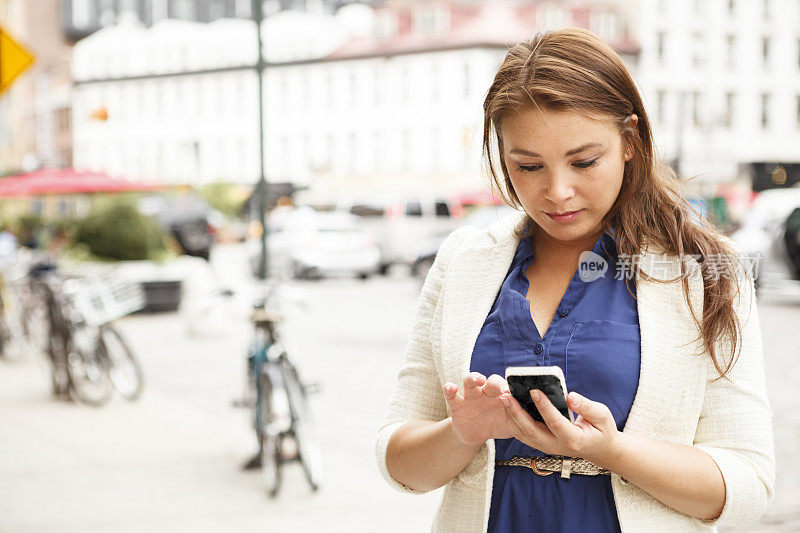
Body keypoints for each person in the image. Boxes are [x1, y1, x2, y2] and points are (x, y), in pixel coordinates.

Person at [375, 28, 774, 532]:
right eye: (528, 166)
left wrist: (611, 450)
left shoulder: (704, 270)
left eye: (584, 162)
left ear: (630, 140)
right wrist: (462, 432)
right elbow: (398, 464)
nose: (557, 191)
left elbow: (748, 484)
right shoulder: (462, 262)